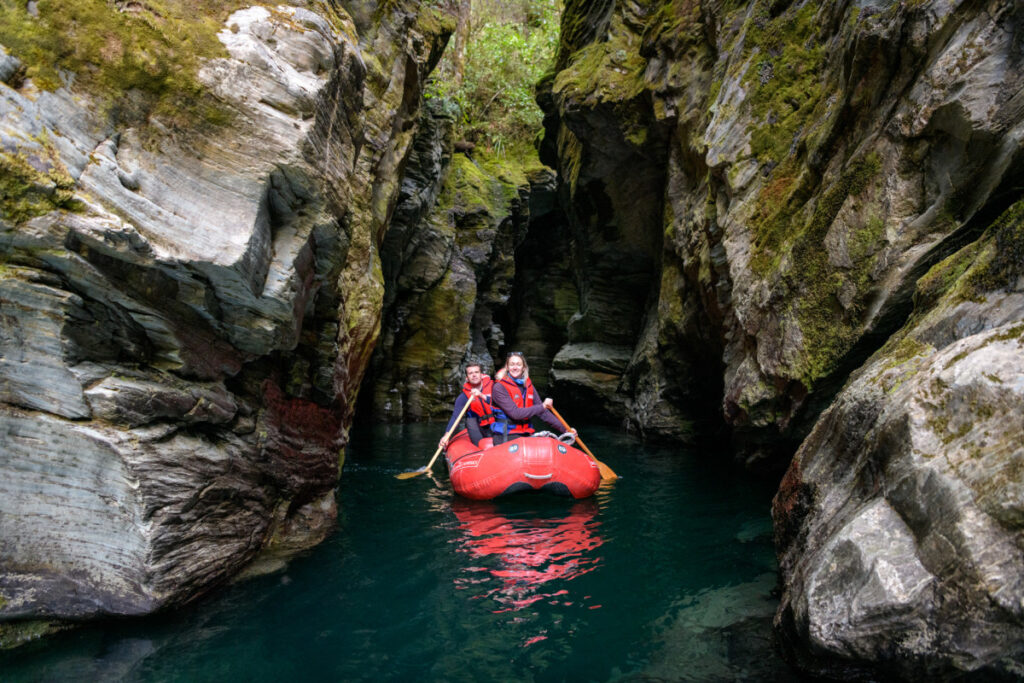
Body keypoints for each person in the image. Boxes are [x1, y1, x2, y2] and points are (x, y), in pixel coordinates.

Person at [489, 351, 572, 445]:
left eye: (518, 364)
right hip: (505, 436)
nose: (515, 367)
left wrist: (565, 429)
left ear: (523, 367)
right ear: (507, 367)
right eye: (512, 364)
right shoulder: (499, 387)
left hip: (525, 433)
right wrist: (543, 406)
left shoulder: (528, 385)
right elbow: (515, 414)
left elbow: (543, 412)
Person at [440, 363, 495, 448]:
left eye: (476, 372)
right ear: (467, 378)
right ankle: (478, 449)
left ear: (481, 375)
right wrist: (446, 436)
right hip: (479, 427)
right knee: (470, 420)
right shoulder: (463, 397)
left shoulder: (495, 387)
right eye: (470, 373)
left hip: (496, 423)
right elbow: (455, 417)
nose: (474, 375)